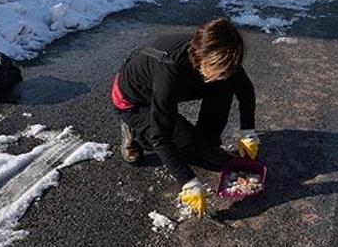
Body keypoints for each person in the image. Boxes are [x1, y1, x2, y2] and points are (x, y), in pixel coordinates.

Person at [111, 17, 260, 217]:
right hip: (134, 103)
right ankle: (134, 131)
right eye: (220, 70)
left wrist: (248, 132)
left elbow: (245, 89)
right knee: (182, 140)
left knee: (224, 85)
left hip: (174, 84)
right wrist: (188, 182)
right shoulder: (170, 71)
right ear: (203, 60)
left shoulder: (220, 51)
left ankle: (205, 143)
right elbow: (160, 136)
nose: (226, 73)